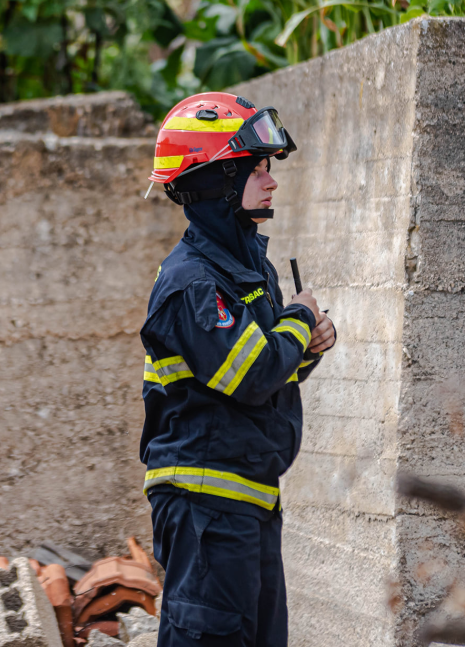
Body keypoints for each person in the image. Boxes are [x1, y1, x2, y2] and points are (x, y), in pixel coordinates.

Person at [139, 92, 336, 646]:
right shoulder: (191, 283)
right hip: (205, 508)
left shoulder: (249, 270)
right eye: (256, 168)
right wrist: (300, 320)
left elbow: (271, 376)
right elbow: (251, 372)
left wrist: (308, 347)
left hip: (248, 501)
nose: (271, 181)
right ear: (213, 180)